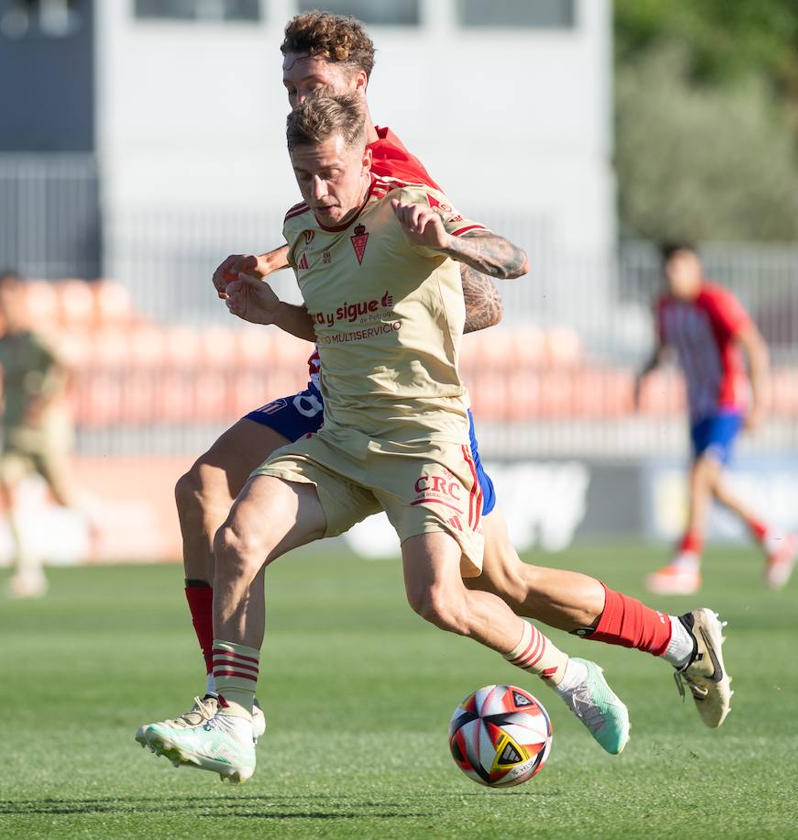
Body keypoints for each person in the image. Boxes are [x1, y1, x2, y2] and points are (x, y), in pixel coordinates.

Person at [167, 10, 731, 750]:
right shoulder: (311, 203)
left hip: (414, 414)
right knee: (211, 495)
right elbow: (331, 244)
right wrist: (283, 282)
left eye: (312, 83)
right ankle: (228, 703)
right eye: (289, 86)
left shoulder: (402, 183)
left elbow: (489, 297)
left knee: (480, 586)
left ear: (356, 87)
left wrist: (419, 290)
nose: (299, 100)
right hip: (339, 401)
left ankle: (658, 648)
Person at [136, 94, 643, 784]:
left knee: (439, 598)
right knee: (237, 537)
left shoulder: (409, 208)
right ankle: (234, 719)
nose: (318, 191)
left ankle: (571, 673)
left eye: (331, 173)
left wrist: (449, 241)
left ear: (362, 159)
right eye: (303, 176)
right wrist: (276, 311)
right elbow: (340, 326)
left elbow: (513, 260)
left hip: (425, 443)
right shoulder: (304, 233)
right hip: (341, 441)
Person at [636, 243, 798, 595]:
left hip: (726, 403)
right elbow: (662, 349)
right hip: (697, 409)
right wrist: (643, 377)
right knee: (712, 485)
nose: (674, 274)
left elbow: (754, 347)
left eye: (681, 266)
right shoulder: (665, 308)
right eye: (670, 268)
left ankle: (687, 563)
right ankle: (777, 541)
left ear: (696, 267)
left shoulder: (715, 301)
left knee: (700, 475)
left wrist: (759, 404)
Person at [0, 270, 99, 598]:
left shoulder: (39, 334)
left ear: (20, 297)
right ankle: (28, 571)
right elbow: (7, 381)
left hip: (47, 429)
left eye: (9, 297)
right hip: (13, 428)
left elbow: (70, 364)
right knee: (5, 483)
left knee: (63, 495)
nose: (4, 305)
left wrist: (49, 399)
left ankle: (101, 520)